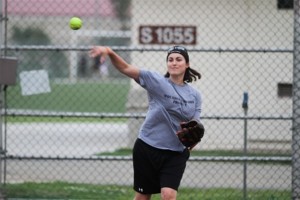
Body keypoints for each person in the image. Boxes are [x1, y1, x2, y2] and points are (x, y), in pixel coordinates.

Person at [89, 45, 203, 200]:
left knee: (168, 195)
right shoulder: (156, 81)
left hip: (175, 153)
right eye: (170, 60)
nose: (174, 63)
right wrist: (109, 52)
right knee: (143, 196)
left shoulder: (195, 95)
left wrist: (192, 140)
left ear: (187, 64)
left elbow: (195, 125)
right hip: (148, 147)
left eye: (178, 59)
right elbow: (126, 68)